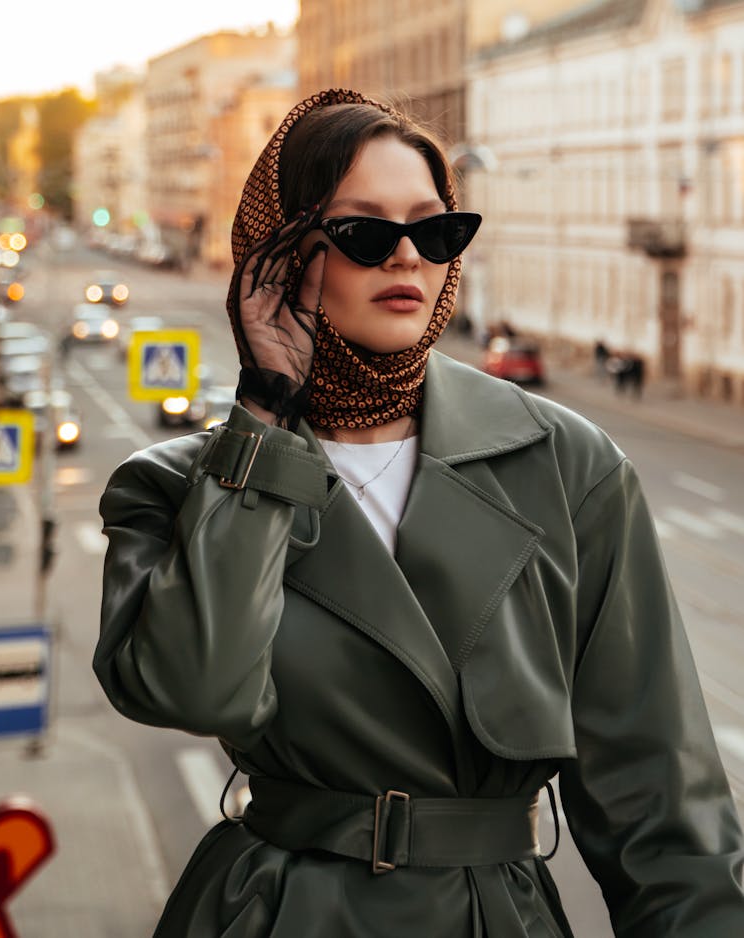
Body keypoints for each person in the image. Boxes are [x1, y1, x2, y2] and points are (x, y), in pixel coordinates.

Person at [94, 89, 744, 937]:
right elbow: (195, 689)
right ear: (279, 253)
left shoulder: (565, 465)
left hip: (492, 916)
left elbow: (663, 807)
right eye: (366, 233)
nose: (408, 258)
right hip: (273, 914)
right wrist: (263, 418)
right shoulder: (178, 485)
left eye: (435, 231)